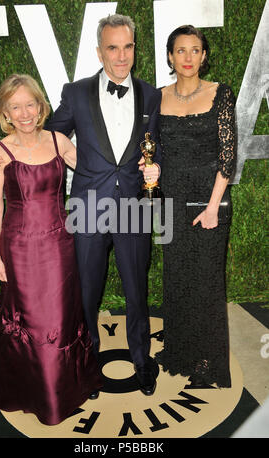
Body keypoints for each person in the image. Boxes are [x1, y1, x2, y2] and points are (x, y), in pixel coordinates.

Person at [0, 14, 162, 397]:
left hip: (134, 208)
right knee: (86, 294)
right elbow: (42, 134)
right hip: (87, 209)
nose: (121, 55)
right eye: (112, 47)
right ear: (99, 51)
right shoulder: (76, 93)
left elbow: (153, 145)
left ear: (135, 49)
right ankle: (87, 367)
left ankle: (143, 363)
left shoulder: (152, 94)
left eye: (127, 46)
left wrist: (155, 164)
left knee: (136, 291)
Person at [0, 74, 102, 426]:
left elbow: (93, 171)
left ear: (41, 106)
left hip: (59, 245)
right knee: (31, 322)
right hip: (19, 248)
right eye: (15, 107)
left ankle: (68, 388)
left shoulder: (58, 140)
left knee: (62, 319)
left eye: (30, 104)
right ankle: (35, 393)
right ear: (5, 112)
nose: (24, 113)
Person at [156, 25, 236, 387]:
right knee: (176, 279)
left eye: (195, 50)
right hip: (171, 201)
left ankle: (207, 362)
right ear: (170, 56)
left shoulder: (221, 93)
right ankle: (179, 350)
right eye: (180, 50)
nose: (188, 58)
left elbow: (227, 157)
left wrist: (213, 207)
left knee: (206, 283)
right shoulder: (156, 98)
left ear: (204, 56)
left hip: (208, 202)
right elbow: (151, 149)